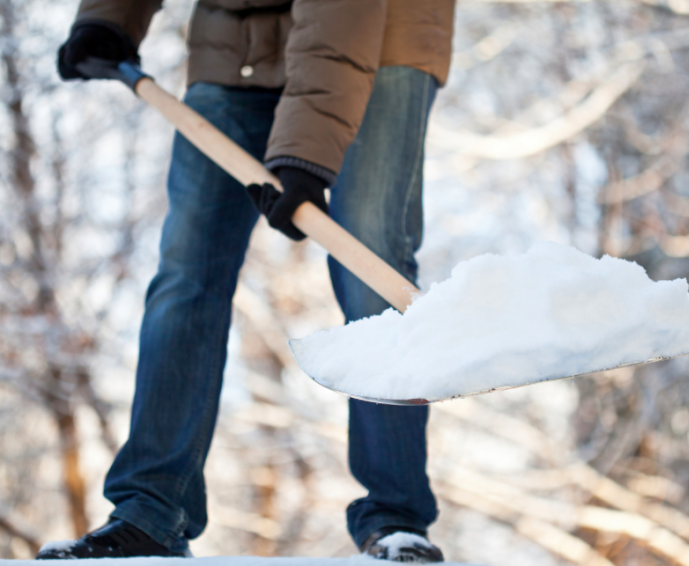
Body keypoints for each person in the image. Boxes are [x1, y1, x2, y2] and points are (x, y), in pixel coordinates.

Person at [37, 0, 455, 563]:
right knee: (186, 271)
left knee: (370, 266)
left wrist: (306, 152)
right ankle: (152, 511)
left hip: (379, 33)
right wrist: (111, 15)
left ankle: (397, 518)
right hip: (234, 44)